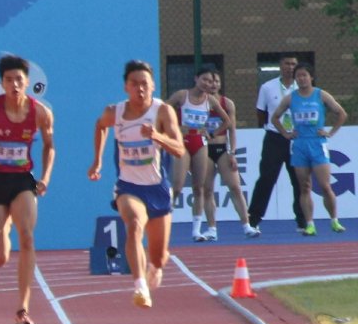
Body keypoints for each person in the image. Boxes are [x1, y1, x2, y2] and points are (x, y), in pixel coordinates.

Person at [88, 60, 186, 309]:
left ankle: (155, 266)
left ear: (152, 86)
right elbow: (100, 126)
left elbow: (179, 149)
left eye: (144, 84)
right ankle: (139, 285)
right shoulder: (115, 112)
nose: (140, 89)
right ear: (126, 87)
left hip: (157, 188)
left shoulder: (162, 112)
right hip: (128, 187)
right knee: (133, 225)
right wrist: (97, 160)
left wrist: (156, 136)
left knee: (159, 257)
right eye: (134, 84)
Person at [0, 53, 54, 324]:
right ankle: (3, 226)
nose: (14, 85)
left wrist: (45, 177)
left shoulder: (40, 112)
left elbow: (49, 146)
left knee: (28, 238)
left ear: (27, 82)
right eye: (8, 80)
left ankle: (23, 307)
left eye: (19, 80)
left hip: (22, 180)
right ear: (2, 83)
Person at [171, 66, 250, 242]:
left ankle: (197, 231)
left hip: (202, 143)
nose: (208, 84)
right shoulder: (181, 96)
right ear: (196, 79)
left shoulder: (213, 101)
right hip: (183, 143)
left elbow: (228, 122)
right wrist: (174, 129)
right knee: (177, 187)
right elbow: (162, 112)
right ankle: (163, 218)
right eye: (205, 80)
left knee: (201, 188)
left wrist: (214, 135)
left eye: (212, 81)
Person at [273, 64, 348, 236]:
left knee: (325, 186)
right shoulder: (291, 98)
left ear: (311, 77)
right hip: (300, 145)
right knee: (304, 186)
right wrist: (285, 133)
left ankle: (334, 220)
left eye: (304, 75)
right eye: (298, 76)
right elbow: (275, 117)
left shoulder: (320, 94)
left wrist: (330, 132)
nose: (301, 79)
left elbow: (341, 113)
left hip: (317, 143)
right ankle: (310, 224)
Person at [246, 54, 304, 238]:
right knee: (266, 178)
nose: (290, 67)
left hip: (297, 138)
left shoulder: (303, 87)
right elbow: (260, 112)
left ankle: (303, 221)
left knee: (299, 181)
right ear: (280, 65)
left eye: (293, 64)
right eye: (287, 63)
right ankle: (253, 220)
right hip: (275, 137)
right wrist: (271, 128)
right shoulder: (267, 87)